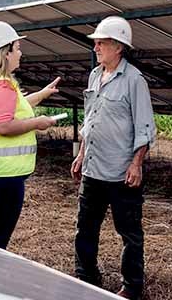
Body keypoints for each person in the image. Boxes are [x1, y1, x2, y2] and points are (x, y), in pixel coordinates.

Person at [71, 16, 156, 300]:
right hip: (93, 168)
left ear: (118, 47)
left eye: (101, 43)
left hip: (121, 173)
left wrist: (136, 164)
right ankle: (86, 276)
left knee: (129, 233)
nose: (95, 47)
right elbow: (90, 120)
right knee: (85, 227)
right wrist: (82, 154)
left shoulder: (134, 81)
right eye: (95, 43)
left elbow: (145, 127)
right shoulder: (95, 75)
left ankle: (131, 287)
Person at [0, 20, 61, 249]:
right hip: (1, 175)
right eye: (17, 48)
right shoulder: (1, 85)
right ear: (6, 52)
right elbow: (3, 125)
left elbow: (8, 108)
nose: (20, 53)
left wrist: (41, 94)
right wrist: (37, 123)